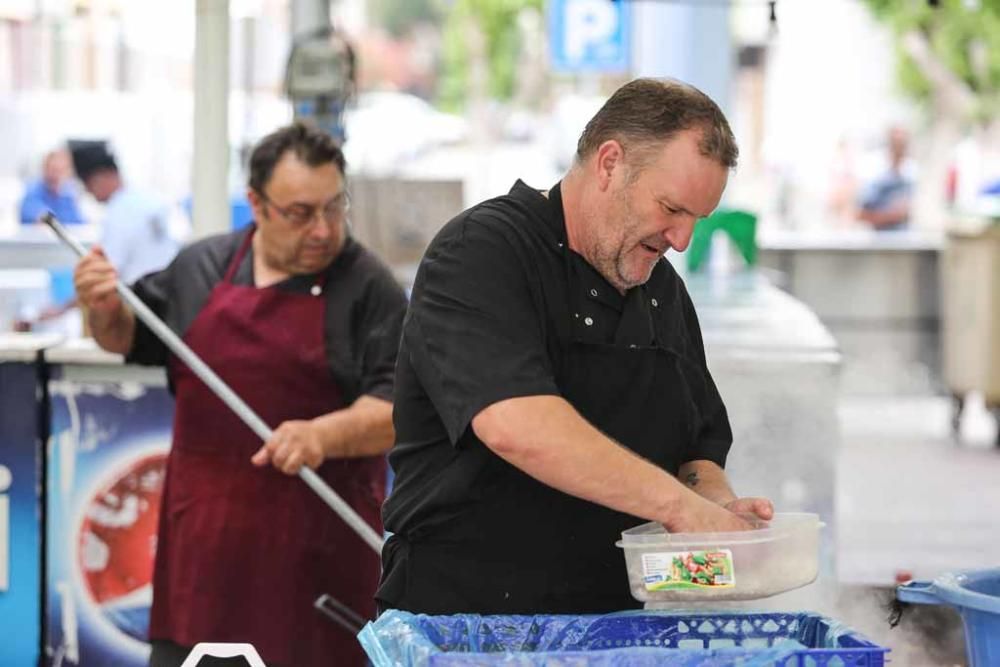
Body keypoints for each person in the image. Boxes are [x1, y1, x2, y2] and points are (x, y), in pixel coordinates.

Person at [377, 78, 775, 617]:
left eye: (695, 221)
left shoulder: (661, 290)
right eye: (671, 209)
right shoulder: (482, 251)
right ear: (610, 163)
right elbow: (517, 425)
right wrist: (680, 508)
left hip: (615, 630)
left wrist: (719, 512)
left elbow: (695, 450)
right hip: (471, 629)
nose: (681, 240)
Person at [73, 122, 407, 667]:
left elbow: (398, 410)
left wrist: (322, 433)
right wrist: (101, 306)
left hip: (317, 562)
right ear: (256, 203)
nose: (323, 229)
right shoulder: (200, 267)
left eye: (333, 208)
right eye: (300, 213)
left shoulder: (368, 287)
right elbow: (124, 337)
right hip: (202, 555)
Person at [70, 140, 185, 283]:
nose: (87, 191)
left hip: (140, 296)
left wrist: (62, 306)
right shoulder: (151, 198)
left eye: (87, 184)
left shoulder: (118, 213)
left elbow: (103, 275)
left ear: (102, 176)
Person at [857, 126, 914, 231]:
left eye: (903, 145)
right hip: (880, 241)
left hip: (903, 240)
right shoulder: (875, 174)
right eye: (897, 145)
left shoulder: (910, 172)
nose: (901, 149)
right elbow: (861, 214)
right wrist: (892, 216)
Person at [19, 147, 85, 224]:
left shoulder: (68, 195)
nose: (57, 176)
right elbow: (40, 216)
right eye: (54, 170)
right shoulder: (33, 191)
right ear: (45, 169)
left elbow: (77, 223)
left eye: (61, 171)